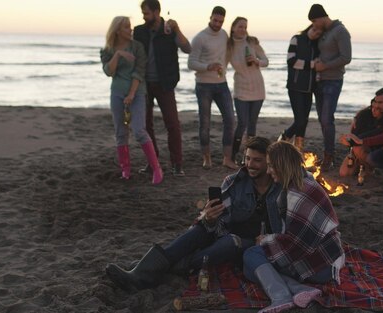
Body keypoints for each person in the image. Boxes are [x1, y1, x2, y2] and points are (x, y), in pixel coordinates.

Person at [105, 137, 282, 291]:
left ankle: (153, 270)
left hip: (254, 244)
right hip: (225, 234)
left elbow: (286, 227)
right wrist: (210, 218)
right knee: (200, 229)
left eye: (257, 160)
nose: (250, 164)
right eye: (247, 158)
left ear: (269, 162)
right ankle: (143, 274)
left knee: (231, 241)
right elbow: (219, 222)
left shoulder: (279, 187)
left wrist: (268, 238)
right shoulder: (234, 182)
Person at [242, 141, 345, 313]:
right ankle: (300, 289)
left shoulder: (298, 193)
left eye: (271, 166)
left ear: (281, 166)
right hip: (327, 256)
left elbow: (296, 244)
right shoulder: (305, 182)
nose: (268, 171)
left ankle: (281, 297)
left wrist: (266, 240)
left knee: (251, 255)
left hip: (320, 266)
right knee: (249, 269)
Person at [100, 16, 163, 185]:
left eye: (130, 26)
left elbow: (139, 72)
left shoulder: (137, 47)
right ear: (118, 30)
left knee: (138, 130)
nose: (131, 29)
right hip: (117, 93)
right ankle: (125, 169)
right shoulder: (108, 50)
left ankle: (156, 168)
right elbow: (109, 72)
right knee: (121, 132)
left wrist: (132, 94)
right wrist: (118, 54)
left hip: (137, 93)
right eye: (127, 27)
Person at [134, 0, 191, 177]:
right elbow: (134, 54)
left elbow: (187, 48)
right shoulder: (139, 31)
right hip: (143, 84)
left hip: (165, 84)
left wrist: (177, 29)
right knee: (146, 125)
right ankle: (153, 162)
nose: (144, 16)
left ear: (157, 12)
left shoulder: (169, 29)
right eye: (143, 13)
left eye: (147, 13)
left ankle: (177, 164)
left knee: (173, 124)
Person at [188, 6, 238, 170]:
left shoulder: (223, 34)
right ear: (210, 18)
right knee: (205, 122)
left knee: (230, 119)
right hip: (203, 85)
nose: (217, 24)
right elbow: (191, 63)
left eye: (221, 21)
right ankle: (207, 157)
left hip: (221, 83)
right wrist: (208, 66)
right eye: (215, 20)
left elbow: (234, 46)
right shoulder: (200, 38)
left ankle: (227, 158)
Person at [308, 4, 352, 170]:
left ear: (321, 17)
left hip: (333, 80)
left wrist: (325, 66)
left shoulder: (340, 31)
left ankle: (329, 156)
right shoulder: (324, 32)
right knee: (322, 119)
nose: (314, 24)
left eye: (314, 21)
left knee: (327, 119)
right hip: (320, 80)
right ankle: (327, 154)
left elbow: (346, 57)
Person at [227, 17, 269, 163]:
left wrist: (257, 61)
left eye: (245, 27)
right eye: (240, 26)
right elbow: (222, 62)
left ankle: (249, 157)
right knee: (242, 123)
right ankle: (232, 155)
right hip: (241, 89)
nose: (243, 29)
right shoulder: (229, 45)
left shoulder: (252, 42)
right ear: (233, 28)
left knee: (252, 124)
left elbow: (266, 61)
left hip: (257, 88)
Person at [278, 25, 323, 152]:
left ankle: (298, 148)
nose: (316, 34)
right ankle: (285, 137)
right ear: (310, 27)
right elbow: (291, 61)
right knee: (300, 120)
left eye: (319, 33)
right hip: (295, 86)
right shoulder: (296, 39)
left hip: (309, 88)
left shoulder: (317, 45)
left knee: (304, 120)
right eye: (315, 30)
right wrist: (312, 65)